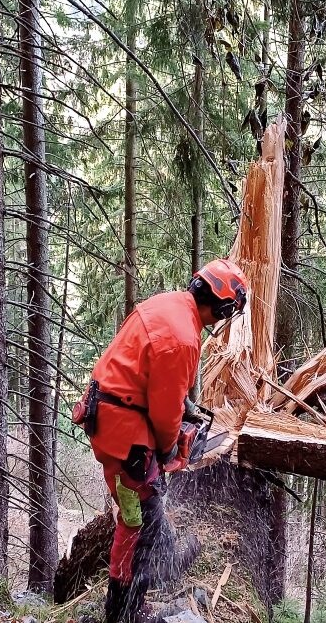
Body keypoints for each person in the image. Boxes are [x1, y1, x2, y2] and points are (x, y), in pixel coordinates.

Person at [72, 258, 249, 623]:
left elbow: (149, 374)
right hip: (124, 433)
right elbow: (165, 417)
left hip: (112, 415)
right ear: (223, 306)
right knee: (137, 523)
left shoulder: (166, 305)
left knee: (143, 512)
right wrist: (170, 451)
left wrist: (186, 406)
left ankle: (162, 562)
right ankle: (123, 613)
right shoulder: (183, 339)